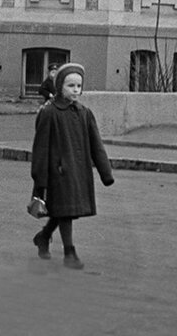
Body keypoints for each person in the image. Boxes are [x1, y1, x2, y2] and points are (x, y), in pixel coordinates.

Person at [29, 63, 114, 269]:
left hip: (78, 172)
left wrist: (106, 173)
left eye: (78, 86)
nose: (76, 90)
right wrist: (39, 178)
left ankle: (44, 236)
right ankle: (70, 253)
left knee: (65, 210)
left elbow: (97, 145)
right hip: (57, 172)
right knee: (66, 211)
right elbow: (40, 148)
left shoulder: (85, 112)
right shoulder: (49, 113)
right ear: (59, 87)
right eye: (70, 86)